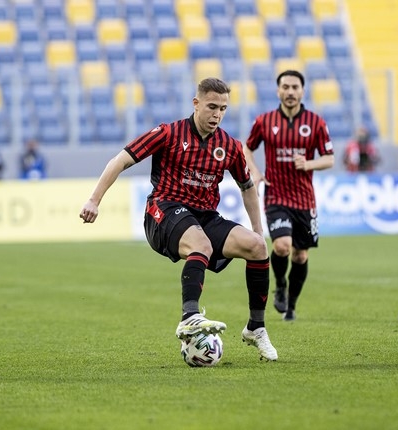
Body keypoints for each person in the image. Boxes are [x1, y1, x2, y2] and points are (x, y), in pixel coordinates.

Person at [80, 77, 278, 361]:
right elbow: (120, 160)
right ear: (196, 103)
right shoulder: (168, 133)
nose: (217, 114)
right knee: (202, 244)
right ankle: (190, 316)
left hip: (205, 215)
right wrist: (94, 200)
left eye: (223, 108)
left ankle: (256, 328)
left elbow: (247, 188)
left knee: (257, 248)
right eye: (211, 106)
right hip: (163, 210)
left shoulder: (230, 146)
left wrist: (258, 231)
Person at [244, 70, 334, 322]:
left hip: (305, 200)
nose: (290, 91)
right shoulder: (264, 121)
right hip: (276, 195)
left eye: (295, 87)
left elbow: (329, 158)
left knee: (300, 255)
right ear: (278, 91)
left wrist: (308, 164)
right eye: (286, 87)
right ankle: (280, 285)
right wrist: (256, 172)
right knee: (282, 246)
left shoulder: (316, 123)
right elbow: (246, 147)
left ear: (302, 91)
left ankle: (292, 305)